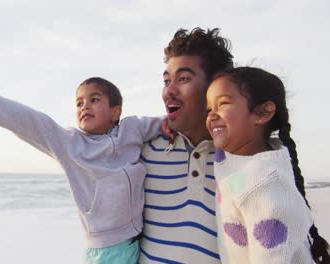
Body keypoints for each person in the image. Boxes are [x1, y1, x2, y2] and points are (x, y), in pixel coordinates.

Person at [0, 71, 164, 263]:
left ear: (115, 112)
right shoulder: (69, 144)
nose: (84, 107)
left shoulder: (133, 128)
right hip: (106, 251)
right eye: (79, 102)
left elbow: (169, 122)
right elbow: (23, 118)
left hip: (137, 243)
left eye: (94, 99)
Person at [206, 66, 330, 263]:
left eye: (223, 104)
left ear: (262, 113)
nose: (211, 115)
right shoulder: (233, 157)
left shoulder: (265, 185)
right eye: (209, 109)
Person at [138, 28, 234, 263]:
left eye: (183, 79)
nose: (168, 91)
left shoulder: (244, 158)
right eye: (166, 80)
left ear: (215, 87)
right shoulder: (144, 151)